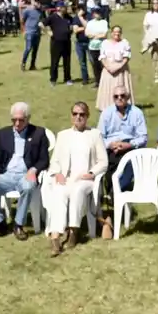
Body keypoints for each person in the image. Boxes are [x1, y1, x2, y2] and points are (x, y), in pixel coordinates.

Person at [44, 102, 108, 256]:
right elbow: (55, 160)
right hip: (67, 178)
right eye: (75, 114)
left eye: (82, 114)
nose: (78, 117)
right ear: (71, 115)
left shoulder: (95, 135)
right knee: (59, 191)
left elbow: (103, 161)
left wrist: (92, 173)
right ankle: (56, 236)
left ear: (87, 116)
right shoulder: (63, 135)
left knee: (78, 190)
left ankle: (74, 231)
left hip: (86, 179)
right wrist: (57, 173)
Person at [0, 102, 50, 239]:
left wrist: (34, 170)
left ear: (28, 118)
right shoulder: (4, 133)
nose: (17, 123)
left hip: (25, 174)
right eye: (14, 120)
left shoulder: (38, 133)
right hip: (7, 174)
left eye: (21, 120)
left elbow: (44, 159)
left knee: (28, 187)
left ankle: (18, 224)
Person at [99, 82, 149, 209]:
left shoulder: (137, 113)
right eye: (116, 96)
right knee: (107, 164)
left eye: (122, 96)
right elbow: (100, 136)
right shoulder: (106, 113)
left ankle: (114, 192)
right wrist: (111, 145)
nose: (119, 98)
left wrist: (129, 144)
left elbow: (143, 137)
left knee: (130, 163)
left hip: (130, 147)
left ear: (128, 97)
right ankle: (112, 191)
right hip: (112, 148)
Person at [94, 25, 135, 111]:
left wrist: (118, 67)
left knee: (120, 87)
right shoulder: (105, 43)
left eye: (119, 32)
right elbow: (102, 57)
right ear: (111, 33)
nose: (117, 33)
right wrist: (108, 67)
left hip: (121, 70)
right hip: (108, 69)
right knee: (108, 89)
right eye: (115, 32)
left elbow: (126, 57)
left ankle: (122, 105)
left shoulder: (124, 43)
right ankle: (107, 106)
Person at [44, 1, 75, 86]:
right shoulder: (52, 17)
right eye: (64, 7)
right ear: (59, 8)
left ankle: (67, 78)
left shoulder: (68, 17)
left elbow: (72, 25)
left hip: (66, 42)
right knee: (55, 61)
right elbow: (41, 24)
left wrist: (70, 31)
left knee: (67, 61)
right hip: (56, 42)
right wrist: (48, 31)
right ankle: (53, 79)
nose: (66, 8)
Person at [84, 7, 109, 82]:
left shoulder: (104, 22)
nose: (97, 15)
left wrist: (95, 36)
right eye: (96, 13)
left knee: (103, 64)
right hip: (93, 47)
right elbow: (87, 33)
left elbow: (104, 35)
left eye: (98, 13)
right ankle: (98, 81)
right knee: (95, 65)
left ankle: (105, 80)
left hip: (102, 47)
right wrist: (97, 35)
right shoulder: (90, 23)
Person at [20, 0, 44, 71]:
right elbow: (22, 21)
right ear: (32, 1)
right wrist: (24, 30)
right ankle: (23, 63)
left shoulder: (40, 11)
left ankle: (32, 65)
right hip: (29, 32)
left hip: (37, 32)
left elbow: (42, 20)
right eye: (36, 1)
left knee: (35, 50)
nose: (38, 2)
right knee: (28, 48)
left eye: (38, 0)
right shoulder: (27, 10)